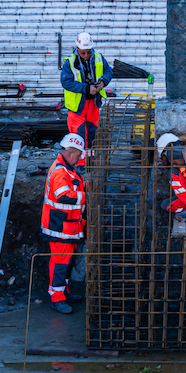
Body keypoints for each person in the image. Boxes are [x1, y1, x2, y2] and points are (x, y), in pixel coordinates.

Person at [41, 133, 87, 314]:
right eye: (79, 154)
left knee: (66, 263)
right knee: (60, 263)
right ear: (70, 153)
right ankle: (57, 298)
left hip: (68, 227)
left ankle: (63, 292)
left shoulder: (69, 169)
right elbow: (64, 195)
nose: (81, 157)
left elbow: (76, 186)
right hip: (60, 227)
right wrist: (86, 196)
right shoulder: (60, 171)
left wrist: (88, 186)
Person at [60, 31, 112, 162]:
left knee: (94, 134)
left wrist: (102, 82)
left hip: (93, 104)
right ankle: (80, 163)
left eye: (88, 52)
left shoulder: (98, 57)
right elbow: (66, 82)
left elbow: (108, 71)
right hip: (77, 106)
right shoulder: (70, 62)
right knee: (79, 136)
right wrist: (87, 89)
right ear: (77, 49)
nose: (86, 55)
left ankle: (92, 161)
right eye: (83, 53)